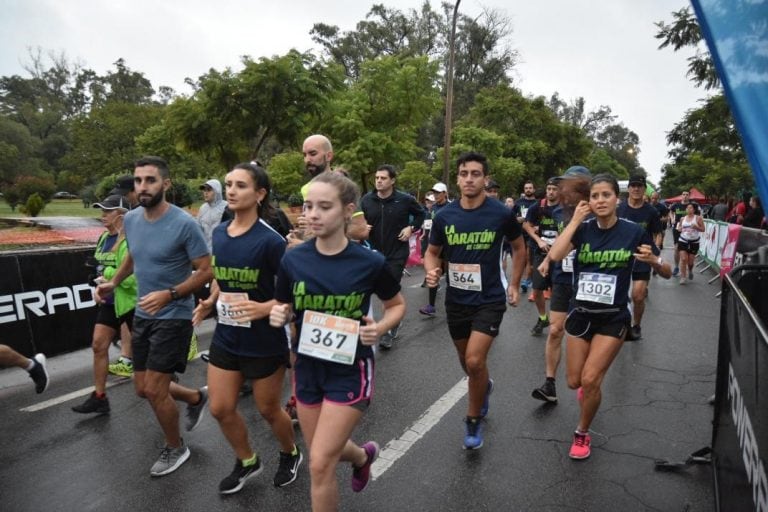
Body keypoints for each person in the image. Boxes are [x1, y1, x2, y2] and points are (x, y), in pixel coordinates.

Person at [269, 172, 406, 511]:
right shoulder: (293, 259)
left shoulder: (369, 261)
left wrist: (380, 327)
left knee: (319, 463)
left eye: (324, 207)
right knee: (322, 452)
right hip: (308, 368)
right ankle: (361, 456)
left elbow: (397, 305)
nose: (312, 214)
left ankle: (357, 457)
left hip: (350, 369)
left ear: (347, 211)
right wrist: (280, 314)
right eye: (309, 206)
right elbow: (283, 304)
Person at [95, 156, 213, 477]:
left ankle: (176, 447)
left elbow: (205, 271)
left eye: (150, 180)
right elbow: (134, 252)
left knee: (156, 390)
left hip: (173, 315)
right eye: (138, 181)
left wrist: (171, 293)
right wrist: (114, 282)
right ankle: (194, 397)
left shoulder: (184, 224)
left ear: (166, 184)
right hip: (143, 314)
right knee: (142, 388)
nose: (143, 187)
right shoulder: (131, 220)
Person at [192, 162, 302, 493]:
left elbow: (294, 293)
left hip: (265, 337)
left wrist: (264, 307)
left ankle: (290, 452)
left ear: (260, 193)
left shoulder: (270, 241)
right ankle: (248, 460)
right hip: (227, 334)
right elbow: (222, 277)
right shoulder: (221, 234)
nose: (232, 190)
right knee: (220, 407)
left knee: (269, 409)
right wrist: (211, 300)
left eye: (241, 185)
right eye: (229, 184)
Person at [548, 174, 671, 459]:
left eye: (606, 195)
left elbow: (667, 271)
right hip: (580, 315)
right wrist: (576, 221)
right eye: (594, 196)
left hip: (613, 317)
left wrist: (654, 260)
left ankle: (581, 433)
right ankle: (588, 393)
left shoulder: (632, 232)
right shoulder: (583, 229)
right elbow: (555, 255)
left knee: (591, 380)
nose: (600, 201)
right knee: (574, 382)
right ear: (587, 201)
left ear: (618, 199)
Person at [424, 151, 525, 450]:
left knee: (475, 360)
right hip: (456, 300)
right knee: (468, 364)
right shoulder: (444, 216)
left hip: (490, 298)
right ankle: (484, 387)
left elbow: (520, 248)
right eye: (464, 173)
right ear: (457, 178)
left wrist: (516, 284)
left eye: (476, 174)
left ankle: (472, 420)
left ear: (485, 178)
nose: (469, 179)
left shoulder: (500, 214)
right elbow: (432, 252)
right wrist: (432, 271)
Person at [531, 165, 592, 403]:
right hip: (563, 277)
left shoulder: (595, 210)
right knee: (556, 330)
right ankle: (549, 384)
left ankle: (588, 377)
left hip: (588, 280)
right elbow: (560, 243)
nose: (563, 188)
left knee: (584, 333)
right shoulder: (558, 212)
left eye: (569, 183)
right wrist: (548, 260)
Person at [72, 194, 137, 414]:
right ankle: (99, 397)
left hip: (131, 304)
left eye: (108, 211)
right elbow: (99, 268)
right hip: (110, 303)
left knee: (151, 358)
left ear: (121, 215)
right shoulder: (103, 238)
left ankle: (170, 385)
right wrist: (97, 282)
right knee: (99, 345)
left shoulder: (130, 241)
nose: (103, 215)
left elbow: (132, 279)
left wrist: (107, 278)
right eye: (101, 211)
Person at [360, 164, 424, 349]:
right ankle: (390, 320)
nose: (379, 181)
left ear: (392, 181)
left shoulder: (405, 200)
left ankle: (387, 331)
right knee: (373, 291)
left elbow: (421, 214)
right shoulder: (366, 200)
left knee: (387, 290)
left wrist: (410, 228)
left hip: (396, 253)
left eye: (383, 178)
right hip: (372, 253)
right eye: (377, 178)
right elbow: (357, 221)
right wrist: (362, 227)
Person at [617, 174, 663, 341]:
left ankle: (636, 325)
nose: (636, 188)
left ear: (644, 189)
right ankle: (618, 322)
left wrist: (655, 251)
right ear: (628, 188)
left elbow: (658, 233)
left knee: (637, 295)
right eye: (633, 185)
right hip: (620, 256)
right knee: (619, 294)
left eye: (639, 186)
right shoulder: (620, 209)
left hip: (642, 257)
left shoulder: (651, 211)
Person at [107, 175, 139, 376]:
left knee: (153, 378)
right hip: (126, 301)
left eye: (126, 194)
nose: (125, 198)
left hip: (145, 296)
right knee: (147, 383)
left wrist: (111, 277)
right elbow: (127, 263)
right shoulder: (131, 218)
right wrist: (111, 279)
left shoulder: (140, 217)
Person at [523, 177, 560, 336]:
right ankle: (543, 318)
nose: (551, 192)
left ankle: (558, 321)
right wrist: (538, 240)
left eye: (554, 189)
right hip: (540, 252)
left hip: (560, 256)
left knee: (558, 291)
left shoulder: (565, 208)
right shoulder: (537, 206)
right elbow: (526, 224)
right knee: (537, 289)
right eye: (549, 189)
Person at [419, 182, 450, 317]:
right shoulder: (433, 208)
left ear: (445, 193)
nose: (436, 195)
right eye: (434, 193)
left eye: (438, 193)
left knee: (451, 275)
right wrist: (425, 235)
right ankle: (431, 306)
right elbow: (429, 225)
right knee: (434, 273)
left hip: (450, 245)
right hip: (436, 245)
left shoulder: (451, 207)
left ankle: (454, 303)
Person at [513, 181, 538, 294]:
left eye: (530, 188)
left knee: (528, 257)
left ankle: (525, 280)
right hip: (519, 232)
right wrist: (517, 219)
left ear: (534, 190)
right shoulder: (518, 203)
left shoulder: (538, 203)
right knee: (520, 258)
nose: (528, 190)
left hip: (532, 233)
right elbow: (511, 216)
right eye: (526, 188)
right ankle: (521, 279)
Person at [669, 191, 699, 276]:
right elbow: (670, 211)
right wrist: (672, 218)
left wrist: (696, 224)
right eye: (684, 194)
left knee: (688, 253)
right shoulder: (676, 205)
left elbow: (698, 215)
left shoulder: (692, 206)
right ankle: (676, 267)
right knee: (676, 248)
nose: (685, 196)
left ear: (689, 196)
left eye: (687, 195)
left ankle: (688, 268)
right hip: (678, 228)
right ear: (681, 196)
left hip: (689, 230)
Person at [676, 203, 705, 284]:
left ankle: (690, 270)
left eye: (691, 208)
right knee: (683, 259)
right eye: (687, 208)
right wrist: (679, 228)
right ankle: (683, 277)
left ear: (694, 209)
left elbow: (703, 229)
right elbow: (679, 228)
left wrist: (696, 227)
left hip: (694, 242)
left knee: (690, 262)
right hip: (683, 240)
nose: (689, 209)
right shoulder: (682, 218)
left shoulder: (698, 218)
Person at [197, 179, 226, 252]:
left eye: (209, 190)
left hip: (221, 251)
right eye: (204, 190)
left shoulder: (227, 207)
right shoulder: (203, 208)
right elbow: (198, 229)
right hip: (205, 251)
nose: (205, 193)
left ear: (217, 191)